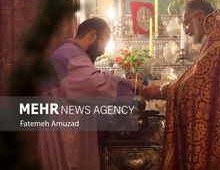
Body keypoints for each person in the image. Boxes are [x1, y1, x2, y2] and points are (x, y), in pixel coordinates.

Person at [142, 0, 220, 170]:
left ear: (199, 18)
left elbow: (193, 89)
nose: (186, 30)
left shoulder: (217, 40)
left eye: (187, 23)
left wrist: (161, 90)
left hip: (217, 127)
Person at [38, 17, 142, 170]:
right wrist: (130, 85)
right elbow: (93, 84)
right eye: (105, 41)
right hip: (66, 138)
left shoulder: (67, 53)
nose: (103, 51)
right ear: (92, 35)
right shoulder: (70, 53)